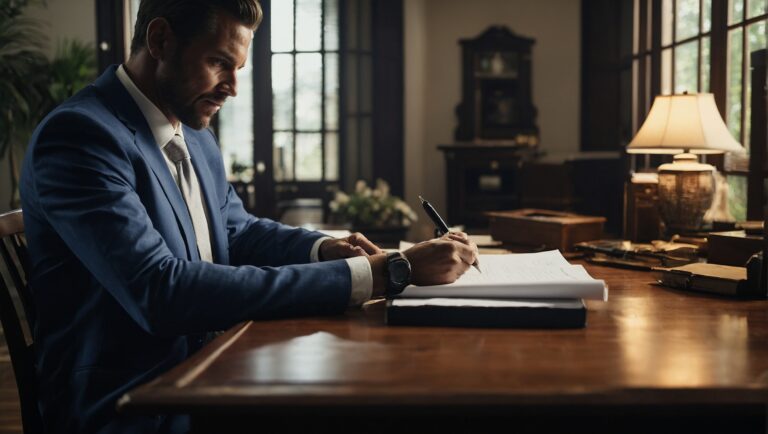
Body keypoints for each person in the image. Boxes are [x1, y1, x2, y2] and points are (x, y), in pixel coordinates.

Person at [19, 0, 478, 433]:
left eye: (237, 69)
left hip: (211, 371)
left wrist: (322, 249)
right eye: (220, 63)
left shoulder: (192, 131)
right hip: (133, 406)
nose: (233, 88)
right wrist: (377, 274)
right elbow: (161, 291)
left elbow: (236, 231)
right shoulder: (81, 136)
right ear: (160, 41)